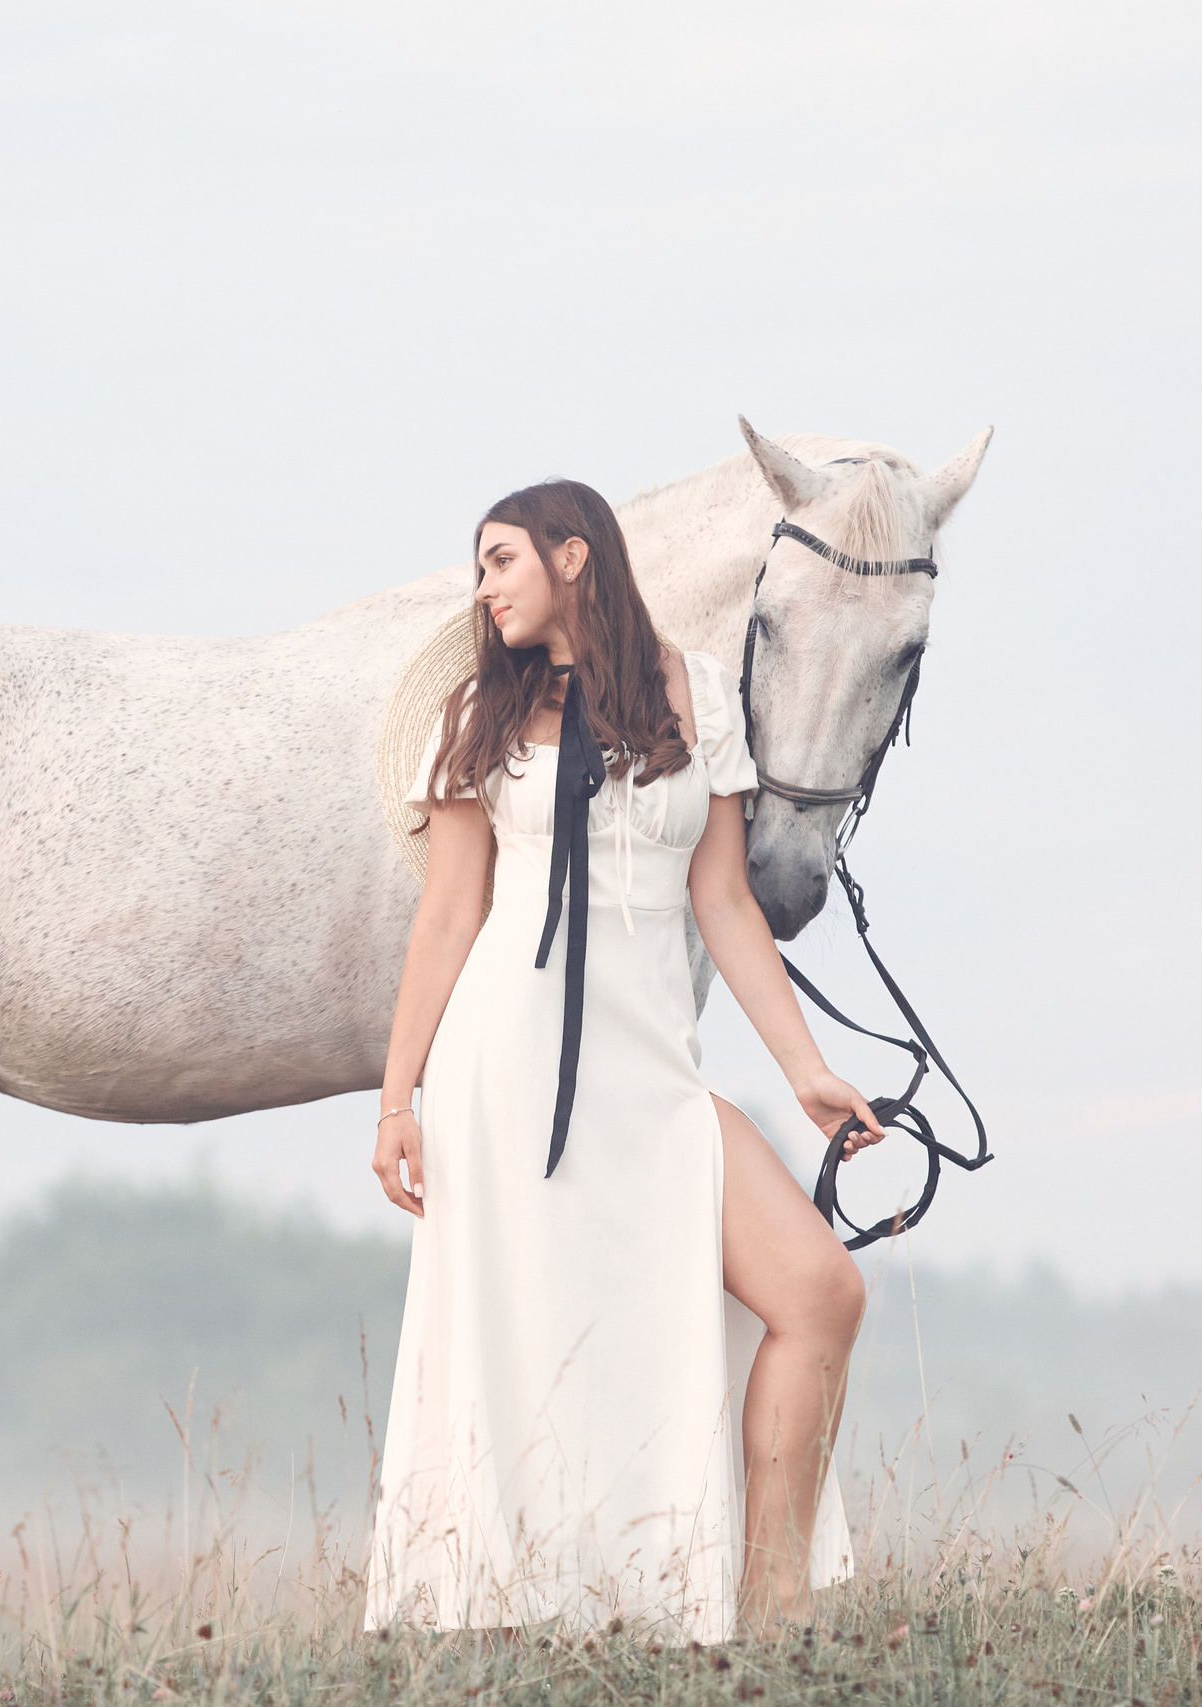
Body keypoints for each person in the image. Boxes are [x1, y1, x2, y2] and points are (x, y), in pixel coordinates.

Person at [365, 477, 886, 1643]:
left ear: (573, 556)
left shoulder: (696, 697)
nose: (485, 588)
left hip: (653, 1079)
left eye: (500, 561)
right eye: (479, 568)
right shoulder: (476, 719)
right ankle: (527, 1614)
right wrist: (396, 1103)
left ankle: (771, 1603)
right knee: (534, 1338)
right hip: (505, 1073)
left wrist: (804, 1068)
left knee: (821, 1295)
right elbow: (448, 918)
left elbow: (727, 907)